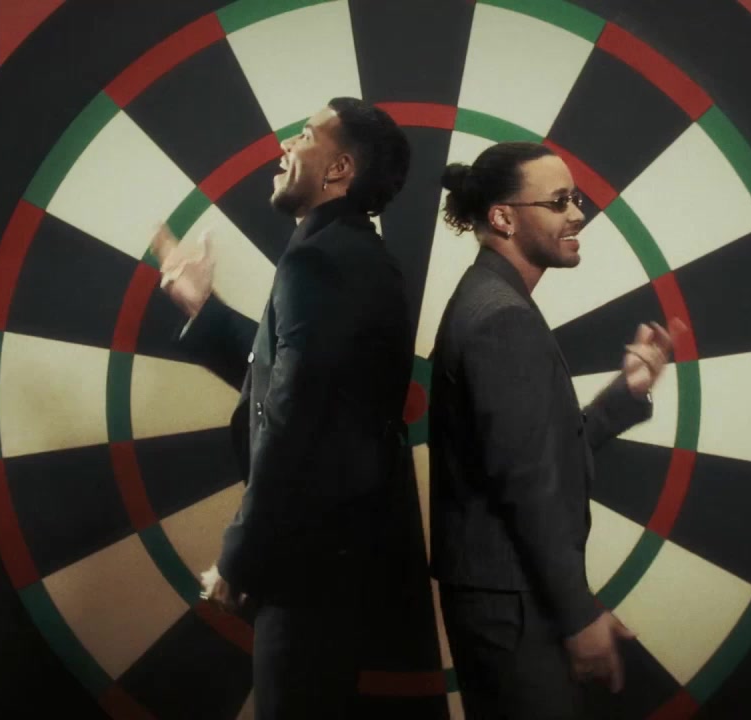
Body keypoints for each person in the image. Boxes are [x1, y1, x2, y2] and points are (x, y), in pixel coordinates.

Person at [151, 97, 412, 718]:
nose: (284, 145)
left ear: (339, 168)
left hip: (306, 563)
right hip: (335, 558)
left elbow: (293, 416)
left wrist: (240, 553)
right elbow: (301, 377)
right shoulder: (354, 254)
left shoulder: (318, 259)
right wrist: (203, 309)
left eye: (304, 135)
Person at [429, 141, 684, 719]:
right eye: (559, 201)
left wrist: (625, 395)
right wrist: (577, 614)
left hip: (504, 598)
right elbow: (529, 486)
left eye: (576, 199)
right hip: (514, 605)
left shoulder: (490, 299)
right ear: (503, 218)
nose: (578, 215)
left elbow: (533, 454)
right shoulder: (502, 317)